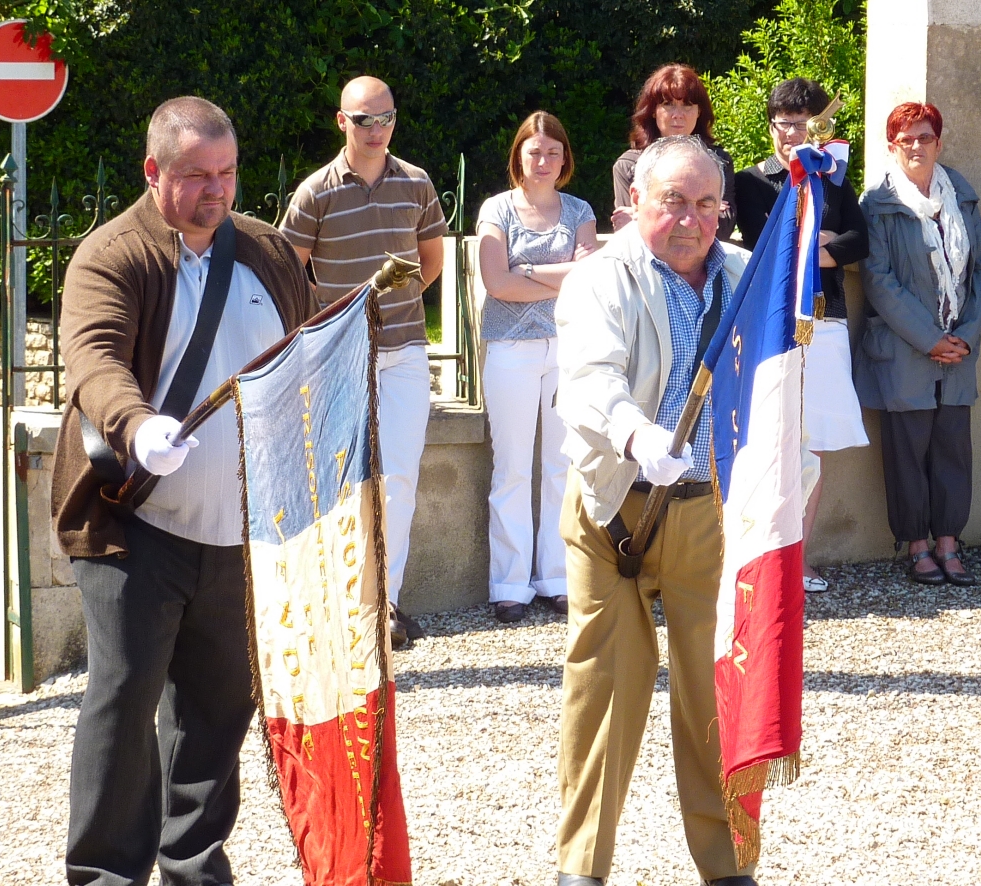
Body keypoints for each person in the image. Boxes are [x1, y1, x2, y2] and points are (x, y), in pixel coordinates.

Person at [51, 97, 317, 884]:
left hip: (241, 526)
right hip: (135, 522)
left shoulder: (269, 252)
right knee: (125, 697)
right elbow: (93, 357)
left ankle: (194, 864)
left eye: (227, 172)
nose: (217, 191)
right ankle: (103, 875)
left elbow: (301, 361)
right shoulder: (111, 255)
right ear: (152, 171)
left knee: (217, 707)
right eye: (197, 175)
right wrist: (137, 426)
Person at [554, 135, 754, 886]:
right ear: (634, 200)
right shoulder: (599, 277)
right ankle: (583, 871)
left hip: (709, 509)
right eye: (672, 200)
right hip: (613, 508)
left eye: (706, 204)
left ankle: (730, 864)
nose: (689, 219)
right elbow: (588, 377)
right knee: (602, 692)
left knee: (716, 694)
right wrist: (637, 432)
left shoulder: (744, 276)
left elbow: (785, 382)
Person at [282, 76, 447, 647]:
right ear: (340, 122)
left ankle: (385, 605)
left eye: (385, 118)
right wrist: (337, 319)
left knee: (398, 481)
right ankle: (336, 603)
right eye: (363, 120)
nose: (376, 130)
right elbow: (288, 274)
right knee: (339, 485)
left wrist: (391, 301)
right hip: (337, 359)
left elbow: (429, 262)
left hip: (403, 352)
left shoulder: (417, 184)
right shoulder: (314, 193)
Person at [735, 77, 870, 593]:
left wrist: (819, 251)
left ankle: (799, 557)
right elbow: (756, 246)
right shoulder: (750, 182)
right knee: (768, 440)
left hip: (824, 317)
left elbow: (860, 241)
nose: (791, 134)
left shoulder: (833, 179)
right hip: (771, 327)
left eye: (802, 123)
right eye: (783, 123)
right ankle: (763, 555)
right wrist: (816, 243)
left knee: (811, 446)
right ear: (771, 126)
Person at [854, 103, 981, 586]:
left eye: (925, 136)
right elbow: (878, 279)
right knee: (907, 452)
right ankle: (917, 545)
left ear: (939, 141)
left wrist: (966, 336)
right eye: (906, 138)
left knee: (954, 448)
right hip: (904, 350)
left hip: (959, 349)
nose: (916, 145)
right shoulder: (876, 202)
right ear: (891, 145)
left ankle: (949, 544)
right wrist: (931, 339)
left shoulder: (961, 195)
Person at [476, 111, 599, 624]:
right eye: (534, 152)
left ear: (565, 158)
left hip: (567, 346)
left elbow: (589, 273)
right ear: (519, 157)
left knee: (561, 466)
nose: (544, 161)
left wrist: (526, 269)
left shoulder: (580, 209)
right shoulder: (497, 209)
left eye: (553, 152)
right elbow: (496, 284)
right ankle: (508, 583)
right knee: (511, 467)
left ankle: (554, 576)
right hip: (510, 350)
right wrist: (556, 275)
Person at [611, 63, 736, 240]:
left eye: (687, 105)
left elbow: (723, 229)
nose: (678, 114)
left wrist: (648, 214)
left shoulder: (719, 162)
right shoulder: (629, 165)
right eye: (668, 104)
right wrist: (706, 212)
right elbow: (627, 232)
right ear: (653, 111)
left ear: (699, 111)